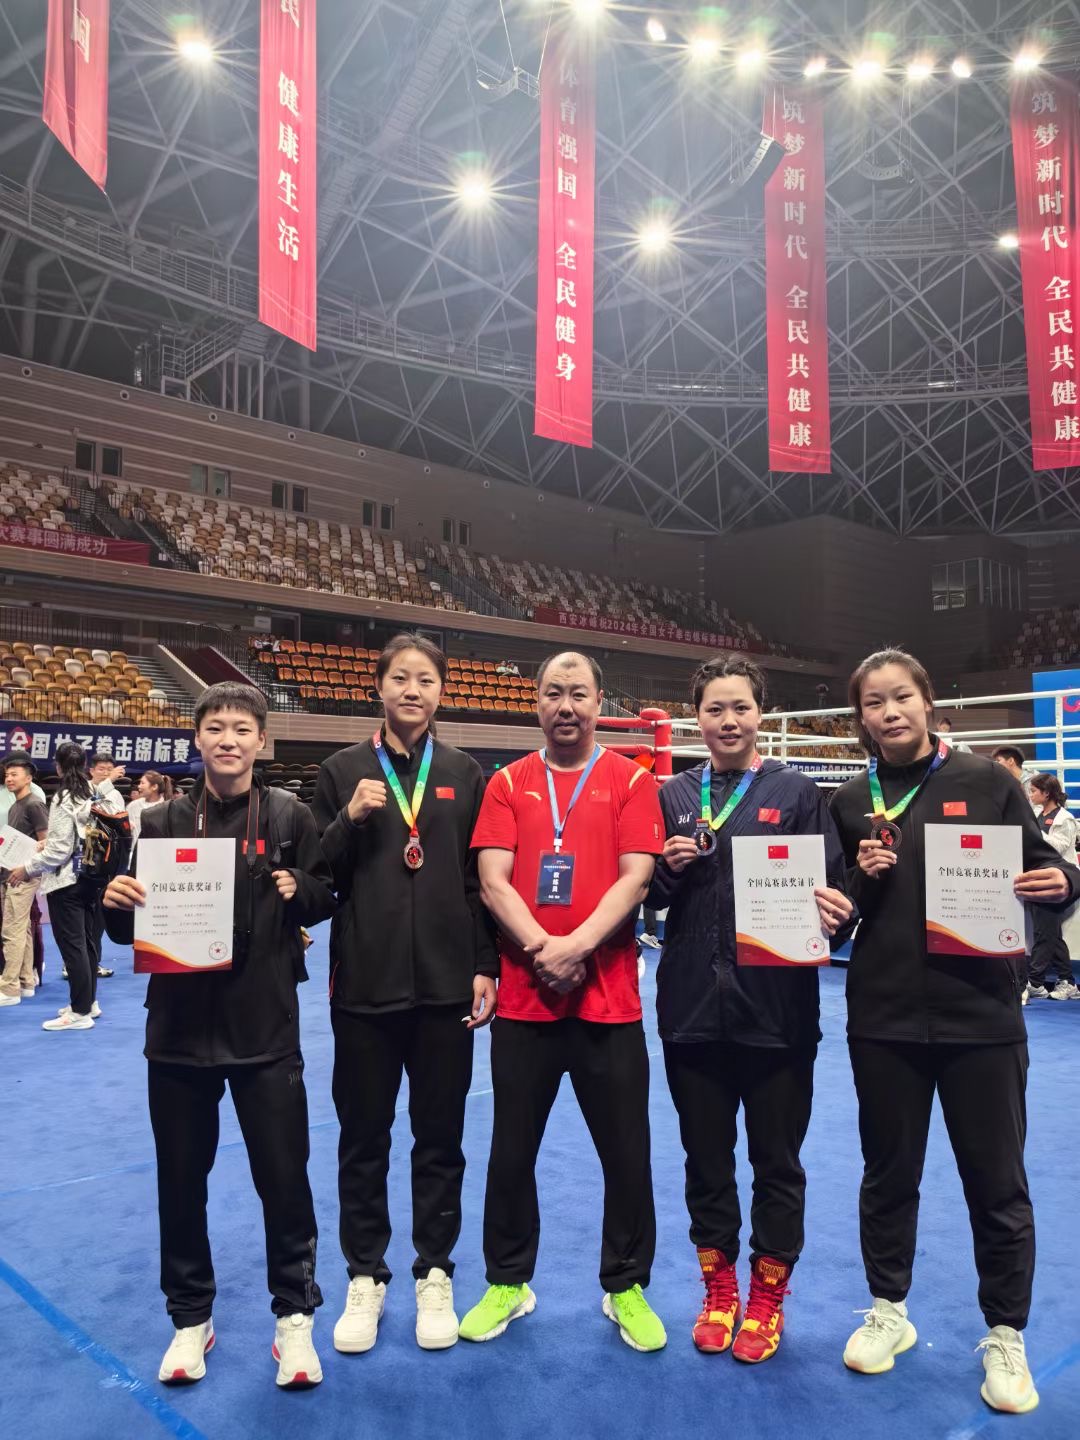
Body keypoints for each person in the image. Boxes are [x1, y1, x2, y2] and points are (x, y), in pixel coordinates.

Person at [830, 648, 1080, 1414]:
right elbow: (838, 909)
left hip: (982, 1018)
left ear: (928, 701)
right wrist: (854, 884)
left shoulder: (987, 780)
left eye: (901, 696)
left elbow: (1051, 869)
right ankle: (889, 1310)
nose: (889, 711)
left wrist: (1063, 883)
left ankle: (1006, 1333)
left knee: (997, 1183)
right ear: (861, 718)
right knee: (887, 1174)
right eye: (874, 702)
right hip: (884, 1017)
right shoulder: (851, 798)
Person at [103, 682, 336, 1390]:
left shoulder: (290, 815)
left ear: (261, 740)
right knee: (180, 1182)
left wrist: (301, 890)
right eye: (215, 728)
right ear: (197, 738)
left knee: (284, 1180)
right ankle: (190, 1317)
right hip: (177, 1034)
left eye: (241, 728)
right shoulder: (162, 819)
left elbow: (327, 896)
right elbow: (129, 927)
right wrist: (117, 904)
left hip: (265, 1030)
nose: (228, 740)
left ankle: (294, 1317)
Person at [459, 651, 667, 1353]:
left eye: (579, 693)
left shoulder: (632, 781)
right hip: (526, 1003)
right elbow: (493, 879)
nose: (567, 705)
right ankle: (507, 1281)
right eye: (554, 692)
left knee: (627, 1153)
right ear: (537, 702)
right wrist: (541, 948)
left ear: (600, 701)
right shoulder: (507, 782)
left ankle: (626, 1286)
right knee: (510, 1152)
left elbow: (637, 878)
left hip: (609, 1002)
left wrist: (576, 945)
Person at [649, 656, 853, 1363]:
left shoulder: (797, 793)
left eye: (740, 707)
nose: (728, 721)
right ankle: (719, 1288)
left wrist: (836, 915)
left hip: (777, 1015)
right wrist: (666, 870)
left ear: (759, 713)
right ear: (696, 717)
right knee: (705, 1160)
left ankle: (768, 1295)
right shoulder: (674, 794)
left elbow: (832, 896)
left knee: (777, 1162)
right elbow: (647, 897)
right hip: (690, 1012)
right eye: (714, 708)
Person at [311, 634, 497, 1355]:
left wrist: (485, 964)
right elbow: (318, 880)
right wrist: (348, 820)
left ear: (442, 692)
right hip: (365, 985)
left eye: (425, 680)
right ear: (379, 687)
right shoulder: (340, 771)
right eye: (400, 678)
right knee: (363, 1137)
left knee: (440, 1138)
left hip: (446, 988)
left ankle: (435, 1270)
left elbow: (479, 880)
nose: (412, 690)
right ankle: (366, 1274)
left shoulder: (464, 772)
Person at [6, 742, 124, 1029]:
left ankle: (80, 1012)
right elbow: (79, 836)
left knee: (73, 947)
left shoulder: (65, 795)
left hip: (67, 882)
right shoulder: (92, 792)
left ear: (58, 767)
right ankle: (88, 1003)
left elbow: (59, 851)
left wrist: (26, 868)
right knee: (87, 942)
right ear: (84, 765)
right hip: (92, 877)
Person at [0, 754, 49, 1007]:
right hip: (10, 873)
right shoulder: (15, 806)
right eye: (7, 774)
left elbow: (46, 842)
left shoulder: (34, 804)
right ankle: (26, 981)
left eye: (14, 774)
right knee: (23, 929)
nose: (9, 778)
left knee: (11, 931)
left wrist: (27, 869)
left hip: (23, 876)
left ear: (28, 778)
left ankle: (9, 988)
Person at [1026, 773, 1079, 1001]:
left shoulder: (1065, 818)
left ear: (1046, 793)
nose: (1030, 795)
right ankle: (1067, 981)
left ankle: (1035, 982)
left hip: (1062, 878)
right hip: (1040, 877)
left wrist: (1033, 832)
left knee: (1044, 933)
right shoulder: (1038, 814)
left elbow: (1059, 847)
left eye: (1034, 791)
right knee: (1050, 932)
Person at [87, 751, 126, 979]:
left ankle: (93, 962)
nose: (105, 773)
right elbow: (90, 806)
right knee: (81, 916)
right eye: (101, 769)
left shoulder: (116, 795)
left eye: (109, 770)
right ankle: (72, 964)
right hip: (85, 860)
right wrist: (108, 781)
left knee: (98, 918)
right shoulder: (83, 789)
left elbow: (118, 824)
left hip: (106, 861)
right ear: (91, 770)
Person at [127, 771, 175, 842]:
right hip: (136, 848)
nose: (139, 786)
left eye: (142, 783)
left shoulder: (167, 808)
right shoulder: (133, 805)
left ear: (154, 787)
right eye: (139, 783)